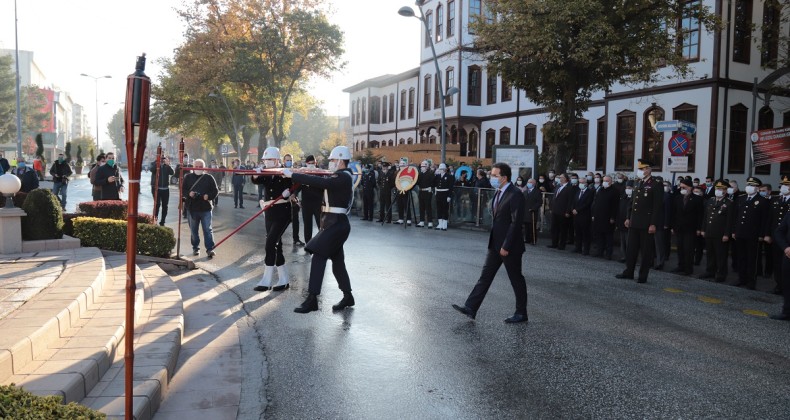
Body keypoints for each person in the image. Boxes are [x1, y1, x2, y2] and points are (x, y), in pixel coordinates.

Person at [452, 162, 528, 324]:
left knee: (516, 279)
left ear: (504, 177)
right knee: (485, 277)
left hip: (510, 246)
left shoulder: (515, 194)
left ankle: (521, 313)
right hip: (495, 244)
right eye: (491, 175)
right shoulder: (498, 192)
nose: (492, 178)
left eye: (495, 175)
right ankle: (471, 307)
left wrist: (506, 246)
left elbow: (516, 223)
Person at [287, 146, 356, 313]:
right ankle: (348, 296)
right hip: (331, 222)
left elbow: (323, 182)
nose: (330, 163)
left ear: (340, 160)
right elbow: (321, 178)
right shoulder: (337, 176)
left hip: (337, 223)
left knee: (319, 254)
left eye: (332, 160)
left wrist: (294, 175)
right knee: (337, 262)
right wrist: (303, 172)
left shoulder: (344, 177)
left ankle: (312, 299)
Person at [251, 147, 294, 292]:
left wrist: (290, 191)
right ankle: (284, 279)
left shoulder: (284, 172)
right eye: (265, 160)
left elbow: (297, 183)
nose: (266, 162)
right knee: (277, 246)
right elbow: (258, 181)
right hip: (269, 212)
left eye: (269, 160)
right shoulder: (268, 173)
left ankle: (266, 280)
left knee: (270, 244)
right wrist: (256, 176)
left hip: (283, 212)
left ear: (276, 160)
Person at [616, 160, 664, 283]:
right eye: (640, 169)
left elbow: (657, 206)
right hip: (634, 222)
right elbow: (632, 202)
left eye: (642, 169)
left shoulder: (656, 183)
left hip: (646, 223)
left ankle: (642, 275)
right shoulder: (638, 182)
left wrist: (653, 223)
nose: (640, 171)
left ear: (648, 169)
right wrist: (628, 217)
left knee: (645, 251)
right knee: (631, 249)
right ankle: (629, 272)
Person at [733, 177, 770, 290]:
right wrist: (734, 231)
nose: (749, 187)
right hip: (740, 233)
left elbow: (765, 220)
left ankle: (751, 281)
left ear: (758, 188)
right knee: (741, 257)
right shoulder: (741, 198)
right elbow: (736, 217)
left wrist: (761, 234)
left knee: (752, 259)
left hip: (753, 235)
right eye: (748, 184)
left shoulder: (763, 201)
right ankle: (741, 278)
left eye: (752, 185)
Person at [699, 180, 735, 282]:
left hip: (720, 234)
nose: (718, 191)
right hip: (709, 231)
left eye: (720, 189)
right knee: (710, 253)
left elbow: (729, 220)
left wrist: (727, 234)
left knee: (721, 255)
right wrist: (703, 229)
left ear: (725, 190)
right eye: (717, 189)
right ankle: (710, 271)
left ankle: (721, 274)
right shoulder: (710, 200)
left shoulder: (729, 203)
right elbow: (705, 216)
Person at [182, 159, 218, 258]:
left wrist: (208, 196)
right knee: (194, 230)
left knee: (207, 229)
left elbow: (215, 191)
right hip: (192, 208)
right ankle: (195, 248)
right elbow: (182, 190)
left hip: (206, 208)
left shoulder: (209, 177)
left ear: (204, 167)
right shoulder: (188, 177)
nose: (198, 169)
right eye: (196, 167)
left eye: (200, 167)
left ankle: (210, 249)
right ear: (193, 167)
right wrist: (189, 194)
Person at [670, 178, 704, 275]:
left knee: (688, 249)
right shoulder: (678, 198)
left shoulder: (697, 199)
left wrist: (699, 228)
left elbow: (700, 215)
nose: (682, 189)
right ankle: (681, 266)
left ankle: (688, 269)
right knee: (680, 248)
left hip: (691, 228)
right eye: (681, 187)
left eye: (684, 187)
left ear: (690, 188)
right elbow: (674, 213)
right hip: (679, 227)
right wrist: (673, 226)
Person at [769, 176, 790, 295]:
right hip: (777, 237)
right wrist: (767, 234)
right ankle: (779, 285)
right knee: (777, 263)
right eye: (783, 185)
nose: (784, 187)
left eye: (787, 185)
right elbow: (770, 218)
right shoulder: (776, 199)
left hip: (787, 239)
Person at [591, 175, 619, 259]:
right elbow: (596, 203)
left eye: (607, 181)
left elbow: (615, 206)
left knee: (608, 237)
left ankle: (608, 254)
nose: (605, 182)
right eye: (604, 180)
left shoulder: (614, 191)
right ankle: (600, 251)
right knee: (599, 236)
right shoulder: (600, 190)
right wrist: (593, 215)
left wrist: (613, 217)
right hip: (599, 217)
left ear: (611, 182)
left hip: (608, 218)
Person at [770, 210, 790, 321]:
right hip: (788, 254)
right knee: (787, 284)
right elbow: (779, 231)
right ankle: (787, 311)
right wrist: (785, 247)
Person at [300, 155, 323, 242]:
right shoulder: (303, 173)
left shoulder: (320, 173)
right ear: (306, 164)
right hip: (306, 203)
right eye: (309, 163)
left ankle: (322, 243)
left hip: (318, 203)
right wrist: (294, 194)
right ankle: (308, 243)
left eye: (313, 163)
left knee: (320, 225)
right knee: (307, 225)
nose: (311, 165)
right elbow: (298, 185)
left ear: (316, 163)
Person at [548, 173, 573, 250]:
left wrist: (568, 212)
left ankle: (562, 245)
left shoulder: (569, 188)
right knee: (554, 228)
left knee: (563, 229)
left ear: (565, 178)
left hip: (563, 211)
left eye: (561, 177)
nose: (560, 178)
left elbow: (570, 201)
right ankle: (554, 243)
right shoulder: (558, 186)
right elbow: (554, 197)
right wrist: (551, 208)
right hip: (555, 211)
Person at [571, 175, 594, 255]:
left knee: (585, 233)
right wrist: (573, 209)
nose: (580, 184)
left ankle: (586, 250)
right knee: (577, 233)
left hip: (584, 215)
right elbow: (574, 201)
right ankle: (578, 247)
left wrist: (577, 210)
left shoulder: (590, 192)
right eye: (579, 182)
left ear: (586, 183)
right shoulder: (578, 191)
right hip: (576, 216)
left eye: (582, 182)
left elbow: (587, 203)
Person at [150, 156, 175, 226]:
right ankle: (155, 220)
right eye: (161, 158)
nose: (162, 160)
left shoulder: (166, 166)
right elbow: (151, 169)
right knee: (157, 204)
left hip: (165, 189)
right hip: (156, 189)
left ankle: (163, 221)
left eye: (163, 158)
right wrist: (157, 163)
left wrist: (168, 165)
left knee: (165, 206)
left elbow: (172, 172)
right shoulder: (154, 164)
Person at [616, 181, 634, 262]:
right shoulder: (623, 197)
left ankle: (629, 257)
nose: (627, 189)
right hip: (621, 222)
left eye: (629, 188)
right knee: (622, 241)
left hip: (630, 223)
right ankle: (623, 256)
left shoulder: (634, 198)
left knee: (629, 242)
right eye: (627, 188)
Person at [434, 163, 454, 231]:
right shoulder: (437, 176)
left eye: (442, 169)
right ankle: (440, 223)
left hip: (445, 194)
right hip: (439, 194)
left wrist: (449, 196)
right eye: (440, 169)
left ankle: (444, 224)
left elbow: (451, 187)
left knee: (445, 209)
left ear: (445, 169)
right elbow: (434, 184)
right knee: (439, 209)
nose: (441, 170)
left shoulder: (449, 176)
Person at [523, 178, 542, 245]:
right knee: (526, 226)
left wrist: (533, 208)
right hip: (525, 211)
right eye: (528, 182)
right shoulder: (525, 191)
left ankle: (533, 239)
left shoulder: (537, 191)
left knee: (532, 226)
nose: (529, 183)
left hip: (532, 212)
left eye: (530, 182)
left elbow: (539, 202)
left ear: (534, 183)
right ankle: (527, 239)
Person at [416, 160, 434, 227]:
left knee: (428, 207)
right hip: (421, 191)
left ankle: (430, 222)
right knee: (421, 207)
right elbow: (417, 182)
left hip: (427, 192)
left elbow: (433, 182)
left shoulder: (430, 173)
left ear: (427, 167)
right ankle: (422, 221)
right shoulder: (420, 174)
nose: (422, 167)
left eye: (423, 166)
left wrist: (430, 187)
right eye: (421, 166)